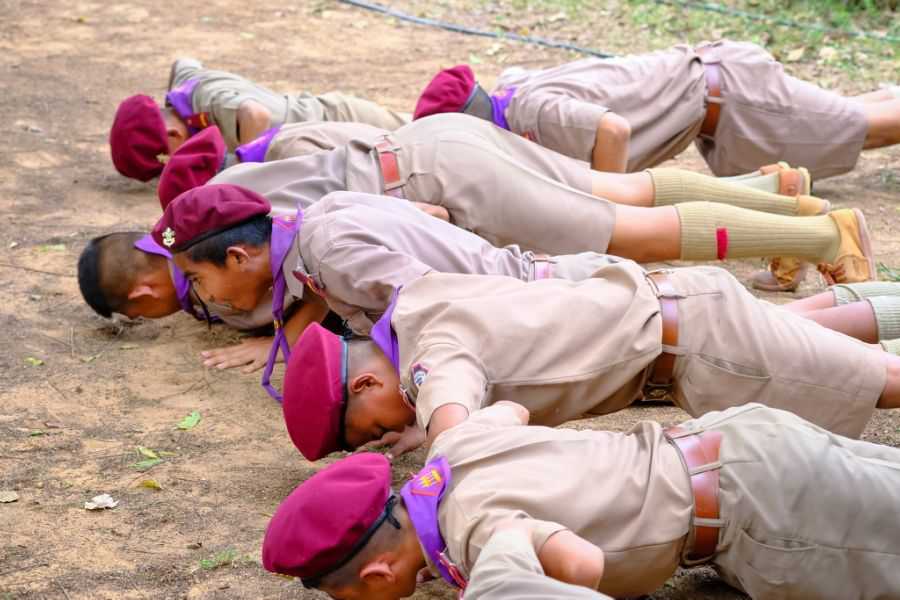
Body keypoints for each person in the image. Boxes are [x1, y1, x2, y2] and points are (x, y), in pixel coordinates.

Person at [261, 402, 900, 599]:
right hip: (736, 438)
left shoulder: (475, 534)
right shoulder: (449, 453)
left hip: (765, 506)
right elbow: (512, 410)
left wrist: (505, 577)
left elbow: (584, 564)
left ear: (379, 573)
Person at [158, 114, 875, 285]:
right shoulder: (221, 196)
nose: (199, 291)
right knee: (620, 192)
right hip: (433, 144)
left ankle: (827, 236)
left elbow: (427, 221)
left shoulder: (248, 229)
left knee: (634, 232)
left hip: (438, 183)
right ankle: (783, 202)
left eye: (195, 279)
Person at [278, 266, 900, 462]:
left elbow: (456, 434)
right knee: (831, 346)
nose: (387, 434)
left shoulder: (432, 361)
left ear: (366, 380)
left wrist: (437, 440)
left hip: (704, 347)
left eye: (372, 427)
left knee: (880, 382)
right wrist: (423, 417)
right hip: (677, 310)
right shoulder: (414, 304)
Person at [413, 44, 900, 179]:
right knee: (850, 115)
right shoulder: (512, 92)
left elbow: (613, 130)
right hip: (719, 93)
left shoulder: (533, 112)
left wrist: (605, 204)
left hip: (737, 100)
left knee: (867, 130)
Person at [108, 57, 409, 181]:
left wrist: (248, 169)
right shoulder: (183, 92)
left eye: (170, 159)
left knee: (422, 134)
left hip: (338, 120)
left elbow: (255, 114)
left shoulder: (209, 102)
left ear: (173, 136)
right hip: (323, 132)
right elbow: (183, 62)